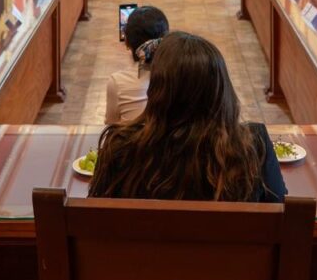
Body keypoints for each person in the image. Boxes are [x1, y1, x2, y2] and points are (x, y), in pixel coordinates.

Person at [89, 31, 287, 203]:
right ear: (221, 90)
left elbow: (96, 218)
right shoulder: (253, 146)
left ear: (157, 91)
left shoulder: (120, 148)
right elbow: (280, 214)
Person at [105, 6, 170, 125]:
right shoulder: (180, 74)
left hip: (133, 137)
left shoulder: (117, 82)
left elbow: (111, 124)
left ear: (127, 42)